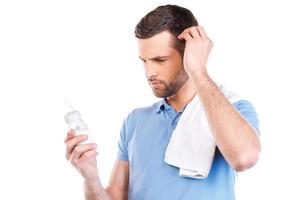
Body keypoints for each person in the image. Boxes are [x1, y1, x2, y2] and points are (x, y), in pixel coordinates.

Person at [64, 4, 261, 200]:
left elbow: (244, 158)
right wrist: (90, 178)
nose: (149, 73)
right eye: (144, 61)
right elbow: (115, 196)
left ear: (188, 53)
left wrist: (199, 70)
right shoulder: (135, 121)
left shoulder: (233, 110)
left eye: (160, 60)